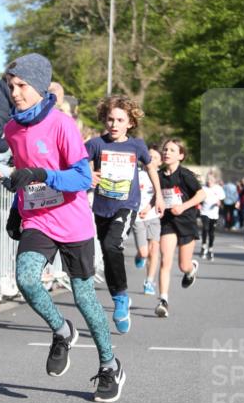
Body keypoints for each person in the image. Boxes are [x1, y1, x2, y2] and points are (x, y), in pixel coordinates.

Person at [0, 53, 126, 403]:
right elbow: (25, 171)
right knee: (25, 278)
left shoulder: (61, 125)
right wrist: (15, 208)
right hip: (38, 218)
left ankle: (109, 365)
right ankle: (61, 330)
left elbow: (83, 177)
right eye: (11, 86)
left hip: (72, 222)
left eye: (22, 86)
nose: (16, 92)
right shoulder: (12, 129)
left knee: (84, 298)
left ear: (39, 87)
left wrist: (42, 175)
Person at [86, 96, 164, 333]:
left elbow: (150, 167)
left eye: (120, 120)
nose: (114, 124)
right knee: (109, 254)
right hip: (101, 207)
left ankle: (120, 300)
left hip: (126, 205)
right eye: (110, 119)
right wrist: (89, 175)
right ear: (104, 119)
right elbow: (78, 162)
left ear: (130, 122)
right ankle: (119, 296)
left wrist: (158, 195)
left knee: (112, 246)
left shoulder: (137, 146)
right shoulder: (96, 144)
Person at [153, 139, 205, 319]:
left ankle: (191, 269)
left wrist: (183, 207)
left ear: (180, 156)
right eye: (165, 149)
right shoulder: (159, 176)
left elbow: (201, 194)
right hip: (168, 222)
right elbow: (157, 196)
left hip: (186, 221)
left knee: (183, 265)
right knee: (165, 261)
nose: (166, 152)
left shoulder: (185, 175)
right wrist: (147, 208)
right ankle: (163, 301)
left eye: (172, 150)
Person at [133, 146, 162, 294]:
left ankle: (149, 282)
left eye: (155, 158)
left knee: (154, 250)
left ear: (160, 162)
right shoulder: (136, 173)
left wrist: (149, 208)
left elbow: (159, 196)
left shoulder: (160, 176)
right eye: (149, 156)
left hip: (153, 217)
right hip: (138, 217)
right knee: (144, 252)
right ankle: (139, 255)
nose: (151, 159)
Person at [199, 171, 225, 260]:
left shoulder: (219, 189)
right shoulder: (203, 188)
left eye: (211, 179)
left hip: (214, 214)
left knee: (211, 232)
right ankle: (203, 245)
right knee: (205, 228)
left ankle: (210, 248)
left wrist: (219, 203)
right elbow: (198, 199)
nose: (209, 181)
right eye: (208, 179)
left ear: (215, 180)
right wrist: (199, 204)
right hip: (204, 212)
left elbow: (222, 201)